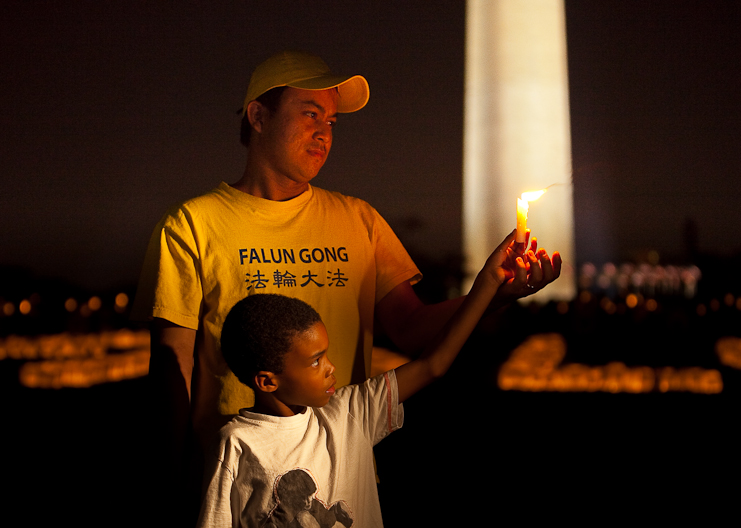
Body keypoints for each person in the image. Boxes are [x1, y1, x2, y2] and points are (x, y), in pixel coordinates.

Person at [131, 50, 561, 520]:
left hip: (340, 480)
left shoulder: (360, 220)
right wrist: (168, 484)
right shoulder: (191, 225)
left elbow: (414, 328)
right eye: (310, 114)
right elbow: (173, 369)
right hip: (235, 486)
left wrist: (493, 293)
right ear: (258, 116)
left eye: (332, 121)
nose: (324, 132)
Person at [196, 231, 552, 527]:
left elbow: (433, 364)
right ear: (267, 381)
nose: (331, 368)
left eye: (327, 355)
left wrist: (489, 284)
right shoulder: (236, 443)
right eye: (316, 361)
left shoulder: (350, 412)